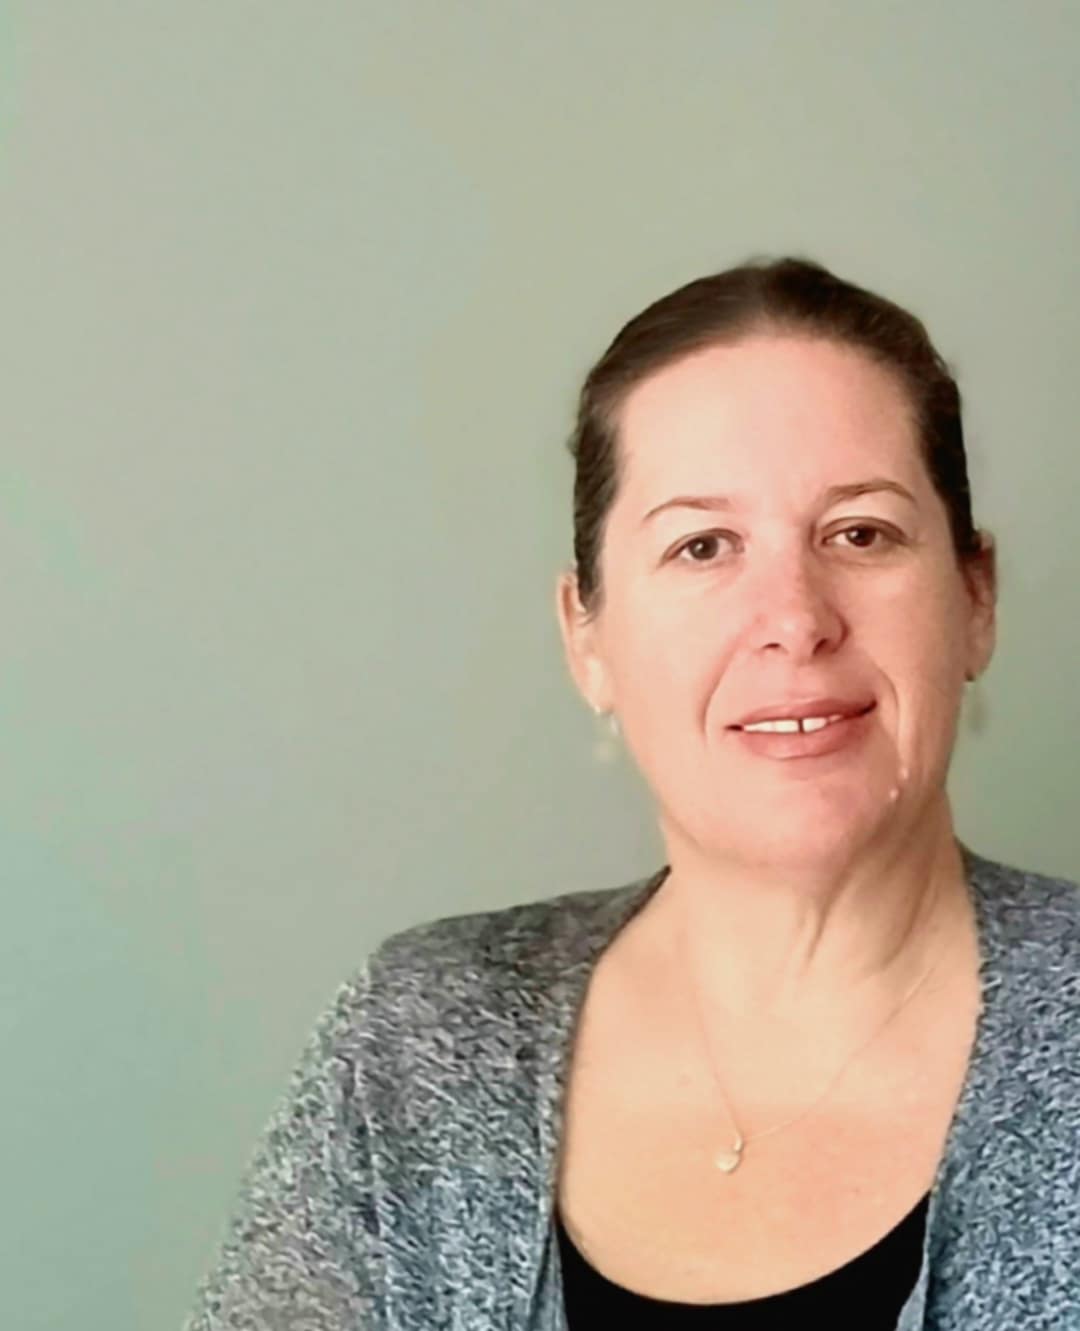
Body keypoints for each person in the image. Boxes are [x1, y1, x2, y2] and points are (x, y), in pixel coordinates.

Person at [184, 258, 1080, 1330]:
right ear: (587, 635)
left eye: (861, 533)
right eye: (703, 545)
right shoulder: (414, 1047)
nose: (795, 617)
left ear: (974, 598)